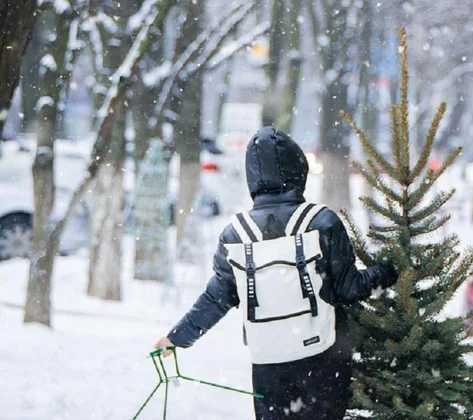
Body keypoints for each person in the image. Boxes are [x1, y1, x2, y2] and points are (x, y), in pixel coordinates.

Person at [153, 127, 398, 420]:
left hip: (269, 363)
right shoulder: (321, 222)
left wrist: (177, 338)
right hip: (323, 359)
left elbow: (216, 299)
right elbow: (350, 289)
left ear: (252, 178)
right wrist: (389, 271)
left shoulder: (236, 235)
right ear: (299, 170)